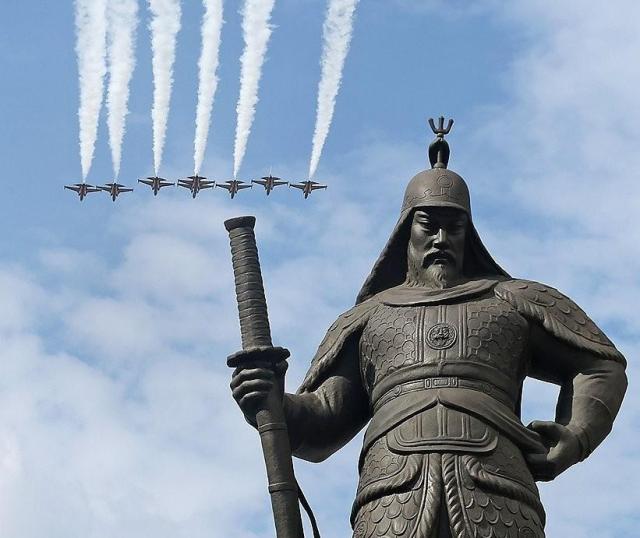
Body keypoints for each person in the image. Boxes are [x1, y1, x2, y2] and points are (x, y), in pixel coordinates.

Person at [230, 121, 627, 537]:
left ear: (468, 233)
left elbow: (601, 365)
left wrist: (577, 435)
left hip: (497, 487)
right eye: (427, 225)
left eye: (453, 227)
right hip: (392, 494)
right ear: (406, 231)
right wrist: (272, 400)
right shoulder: (368, 317)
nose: (440, 238)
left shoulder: (514, 300)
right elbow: (326, 418)